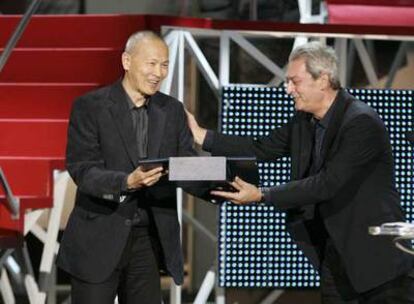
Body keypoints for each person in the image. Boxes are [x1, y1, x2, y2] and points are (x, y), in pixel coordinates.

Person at [186, 41, 414, 303]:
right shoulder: (303, 123)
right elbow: (260, 148)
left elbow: (327, 184)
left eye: (295, 81)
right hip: (335, 258)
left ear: (323, 80)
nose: (288, 89)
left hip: (379, 265)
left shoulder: (362, 123)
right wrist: (202, 137)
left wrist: (261, 195)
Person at [57, 31, 200, 304]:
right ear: (126, 61)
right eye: (151, 63)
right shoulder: (91, 107)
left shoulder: (172, 111)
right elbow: (83, 169)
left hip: (148, 240)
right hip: (98, 238)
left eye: (165, 65)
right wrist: (126, 182)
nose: (159, 72)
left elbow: (187, 165)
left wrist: (222, 184)